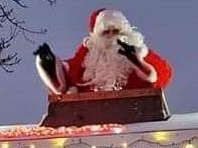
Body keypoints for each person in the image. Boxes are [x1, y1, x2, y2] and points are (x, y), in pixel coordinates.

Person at [34, 9, 173, 94]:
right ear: (98, 36)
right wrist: (51, 65)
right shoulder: (89, 54)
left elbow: (161, 76)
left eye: (116, 31)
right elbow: (72, 72)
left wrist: (138, 62)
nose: (112, 35)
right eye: (106, 32)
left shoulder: (138, 50)